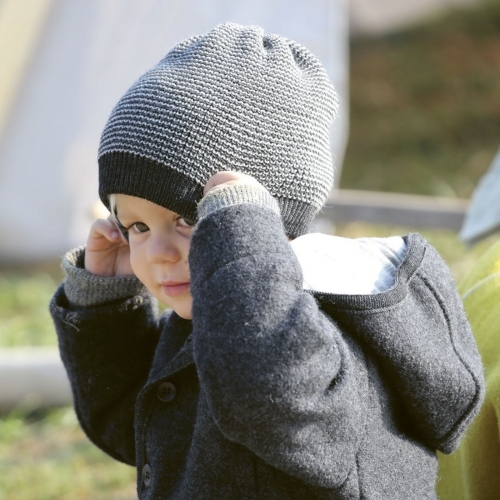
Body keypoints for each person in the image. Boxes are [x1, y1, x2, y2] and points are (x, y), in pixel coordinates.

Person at [50, 23, 484, 499]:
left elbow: (268, 401)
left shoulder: (322, 319)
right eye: (137, 227)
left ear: (256, 217)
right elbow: (137, 429)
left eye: (189, 219)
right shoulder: (218, 305)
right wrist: (105, 307)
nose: (158, 253)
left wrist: (237, 244)